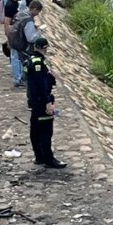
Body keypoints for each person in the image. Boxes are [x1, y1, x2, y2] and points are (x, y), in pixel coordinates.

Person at [25, 37, 66, 168]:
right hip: (41, 101)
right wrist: (48, 102)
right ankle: (49, 159)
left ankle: (39, 157)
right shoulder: (39, 64)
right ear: (45, 48)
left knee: (35, 130)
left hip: (34, 101)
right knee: (46, 131)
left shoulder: (31, 60)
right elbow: (41, 85)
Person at [2, 0, 33, 87]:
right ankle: (17, 79)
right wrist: (9, 39)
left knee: (21, 57)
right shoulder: (10, 5)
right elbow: (7, 23)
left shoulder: (18, 3)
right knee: (15, 57)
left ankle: (22, 77)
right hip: (14, 35)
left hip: (20, 34)